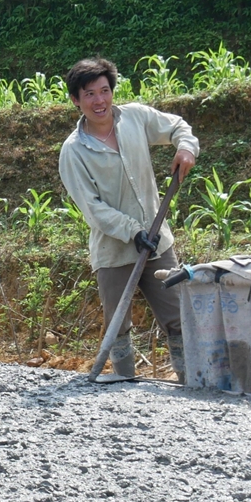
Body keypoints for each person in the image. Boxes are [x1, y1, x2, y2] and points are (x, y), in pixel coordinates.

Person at [57, 56, 198, 381]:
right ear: (76, 100)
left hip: (158, 243)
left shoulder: (135, 118)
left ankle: (191, 382)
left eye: (104, 91)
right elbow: (93, 209)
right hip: (114, 252)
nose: (99, 100)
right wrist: (133, 232)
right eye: (89, 94)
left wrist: (186, 148)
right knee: (119, 324)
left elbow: (177, 126)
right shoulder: (74, 151)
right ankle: (125, 389)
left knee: (176, 316)